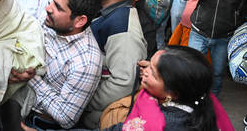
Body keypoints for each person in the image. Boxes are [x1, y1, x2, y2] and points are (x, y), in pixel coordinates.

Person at [21, 46, 234, 131]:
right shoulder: (196, 98)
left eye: (154, 72)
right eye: (149, 63)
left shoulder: (163, 124)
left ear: (172, 93)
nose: (145, 70)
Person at [5, 0, 104, 130]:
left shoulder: (86, 62)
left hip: (36, 123)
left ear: (79, 21)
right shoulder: (53, 21)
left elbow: (66, 118)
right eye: (52, 0)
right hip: (14, 101)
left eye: (58, 7)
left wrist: (32, 78)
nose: (48, 8)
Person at [83, 0, 147, 129]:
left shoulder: (123, 27)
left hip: (99, 117)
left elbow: (123, 82)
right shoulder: (112, 14)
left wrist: (83, 101)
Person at [181, 0, 247, 96]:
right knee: (193, 69)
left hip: (225, 36)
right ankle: (191, 99)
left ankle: (213, 101)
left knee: (217, 73)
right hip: (198, 31)